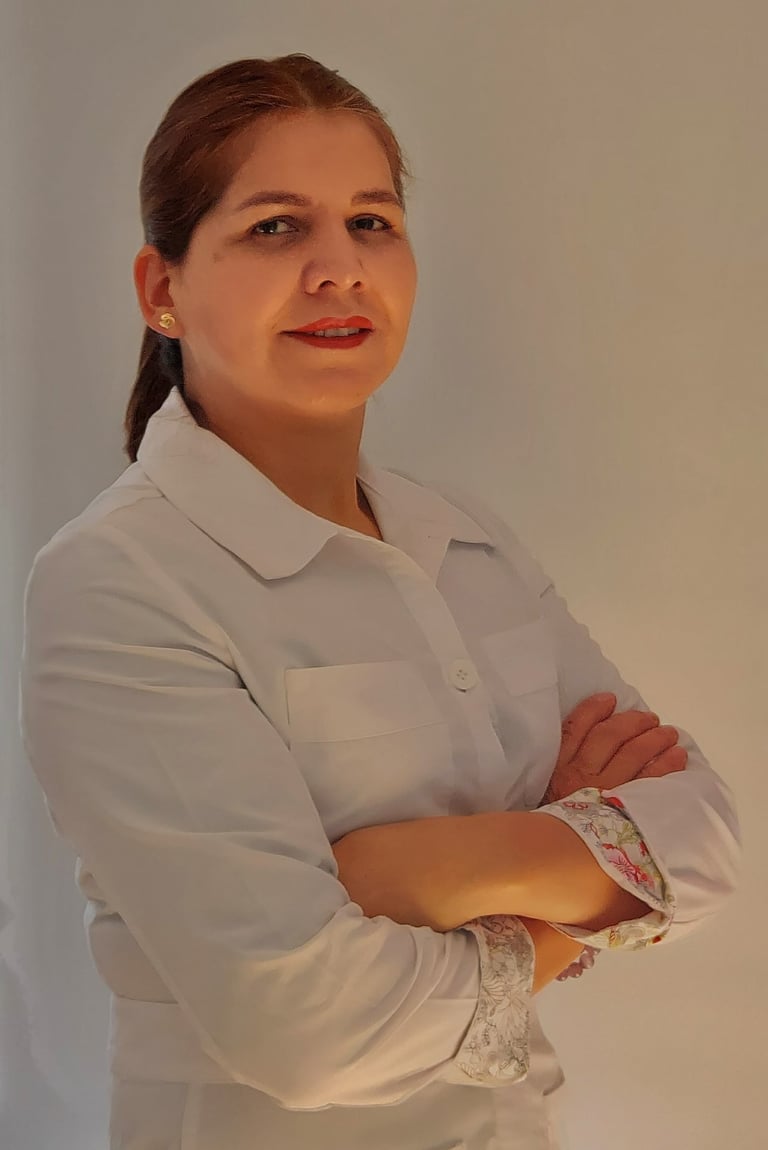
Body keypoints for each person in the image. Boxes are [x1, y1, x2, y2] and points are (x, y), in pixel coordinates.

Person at [18, 53, 741, 1150]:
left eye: (371, 222)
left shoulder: (467, 542)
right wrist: (572, 900)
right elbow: (306, 1029)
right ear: (162, 289)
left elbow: (707, 834)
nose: (339, 269)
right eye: (274, 227)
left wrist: (406, 870)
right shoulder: (120, 580)